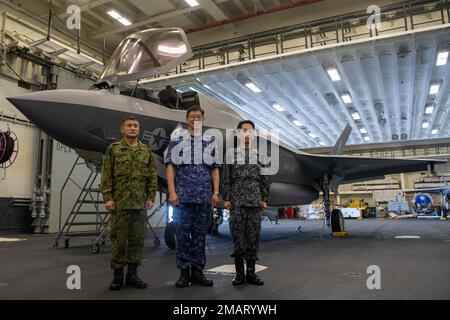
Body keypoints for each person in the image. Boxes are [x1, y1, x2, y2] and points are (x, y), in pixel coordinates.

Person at [164, 105, 221, 288]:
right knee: (182, 235)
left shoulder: (210, 141)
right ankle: (184, 272)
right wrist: (172, 191)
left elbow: (215, 169)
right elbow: (170, 166)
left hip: (204, 196)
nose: (195, 119)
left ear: (203, 119)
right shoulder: (177, 139)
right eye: (192, 116)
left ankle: (198, 272)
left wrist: (216, 192)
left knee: (200, 235)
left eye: (199, 116)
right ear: (187, 118)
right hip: (183, 196)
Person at [101, 116, 157, 291]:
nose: (133, 128)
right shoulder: (114, 150)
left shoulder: (146, 151)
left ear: (138, 129)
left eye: (136, 126)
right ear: (122, 129)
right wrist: (108, 198)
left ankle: (133, 275)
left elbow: (152, 176)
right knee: (118, 240)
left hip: (140, 205)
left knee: (137, 240)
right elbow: (106, 176)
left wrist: (150, 197)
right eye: (129, 126)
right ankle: (118, 276)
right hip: (120, 205)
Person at [221, 120, 270, 286]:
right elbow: (226, 178)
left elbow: (265, 179)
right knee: (238, 239)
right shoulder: (230, 154)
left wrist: (264, 199)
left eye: (250, 130)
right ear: (238, 134)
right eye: (243, 130)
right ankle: (239, 274)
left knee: (253, 238)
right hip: (237, 203)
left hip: (255, 202)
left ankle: (251, 273)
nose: (247, 133)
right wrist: (226, 199)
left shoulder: (260, 155)